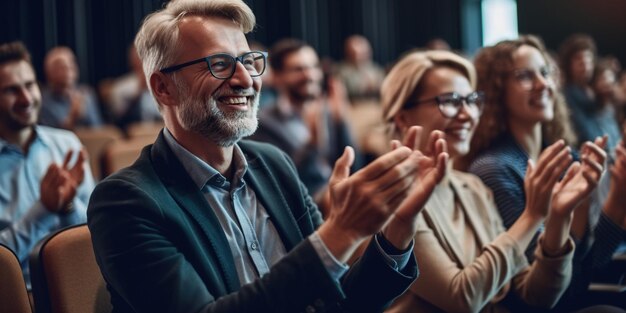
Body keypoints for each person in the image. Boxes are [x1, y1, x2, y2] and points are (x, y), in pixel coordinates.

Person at [87, 1, 449, 312]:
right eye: (219, 64)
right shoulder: (125, 201)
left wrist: (395, 232)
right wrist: (343, 232)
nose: (245, 79)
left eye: (249, 61)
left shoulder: (273, 164)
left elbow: (336, 304)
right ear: (163, 87)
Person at [378, 49, 590, 312]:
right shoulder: (390, 202)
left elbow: (532, 296)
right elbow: (461, 299)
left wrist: (558, 218)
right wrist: (532, 216)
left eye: (472, 100)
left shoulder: (473, 188)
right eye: (451, 100)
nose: (468, 114)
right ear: (402, 117)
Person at [468, 35, 626, 311]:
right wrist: (571, 214)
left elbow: (590, 268)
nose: (543, 84)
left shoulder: (563, 157)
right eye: (524, 76)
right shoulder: (495, 169)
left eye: (545, 72)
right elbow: (552, 298)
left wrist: (618, 197)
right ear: (496, 91)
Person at [0, 41, 94, 286]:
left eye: (30, 85)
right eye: (11, 90)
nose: (26, 98)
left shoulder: (67, 145)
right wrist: (43, 209)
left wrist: (68, 206)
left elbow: (96, 234)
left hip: (79, 283)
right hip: (20, 295)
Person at [250, 38, 362, 207]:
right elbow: (288, 183)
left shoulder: (328, 112)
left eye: (313, 67)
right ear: (278, 76)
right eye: (298, 69)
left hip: (345, 201)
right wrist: (313, 143)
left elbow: (355, 167)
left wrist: (342, 122)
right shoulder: (264, 123)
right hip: (307, 211)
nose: (309, 75)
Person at [39, 46, 103, 129]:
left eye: (71, 63)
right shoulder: (43, 102)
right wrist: (73, 117)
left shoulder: (86, 93)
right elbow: (51, 136)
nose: (68, 68)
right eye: (61, 66)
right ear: (49, 71)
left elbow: (98, 129)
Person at [335, 34, 386, 102]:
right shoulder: (341, 72)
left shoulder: (376, 70)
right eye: (355, 54)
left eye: (363, 53)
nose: (359, 58)